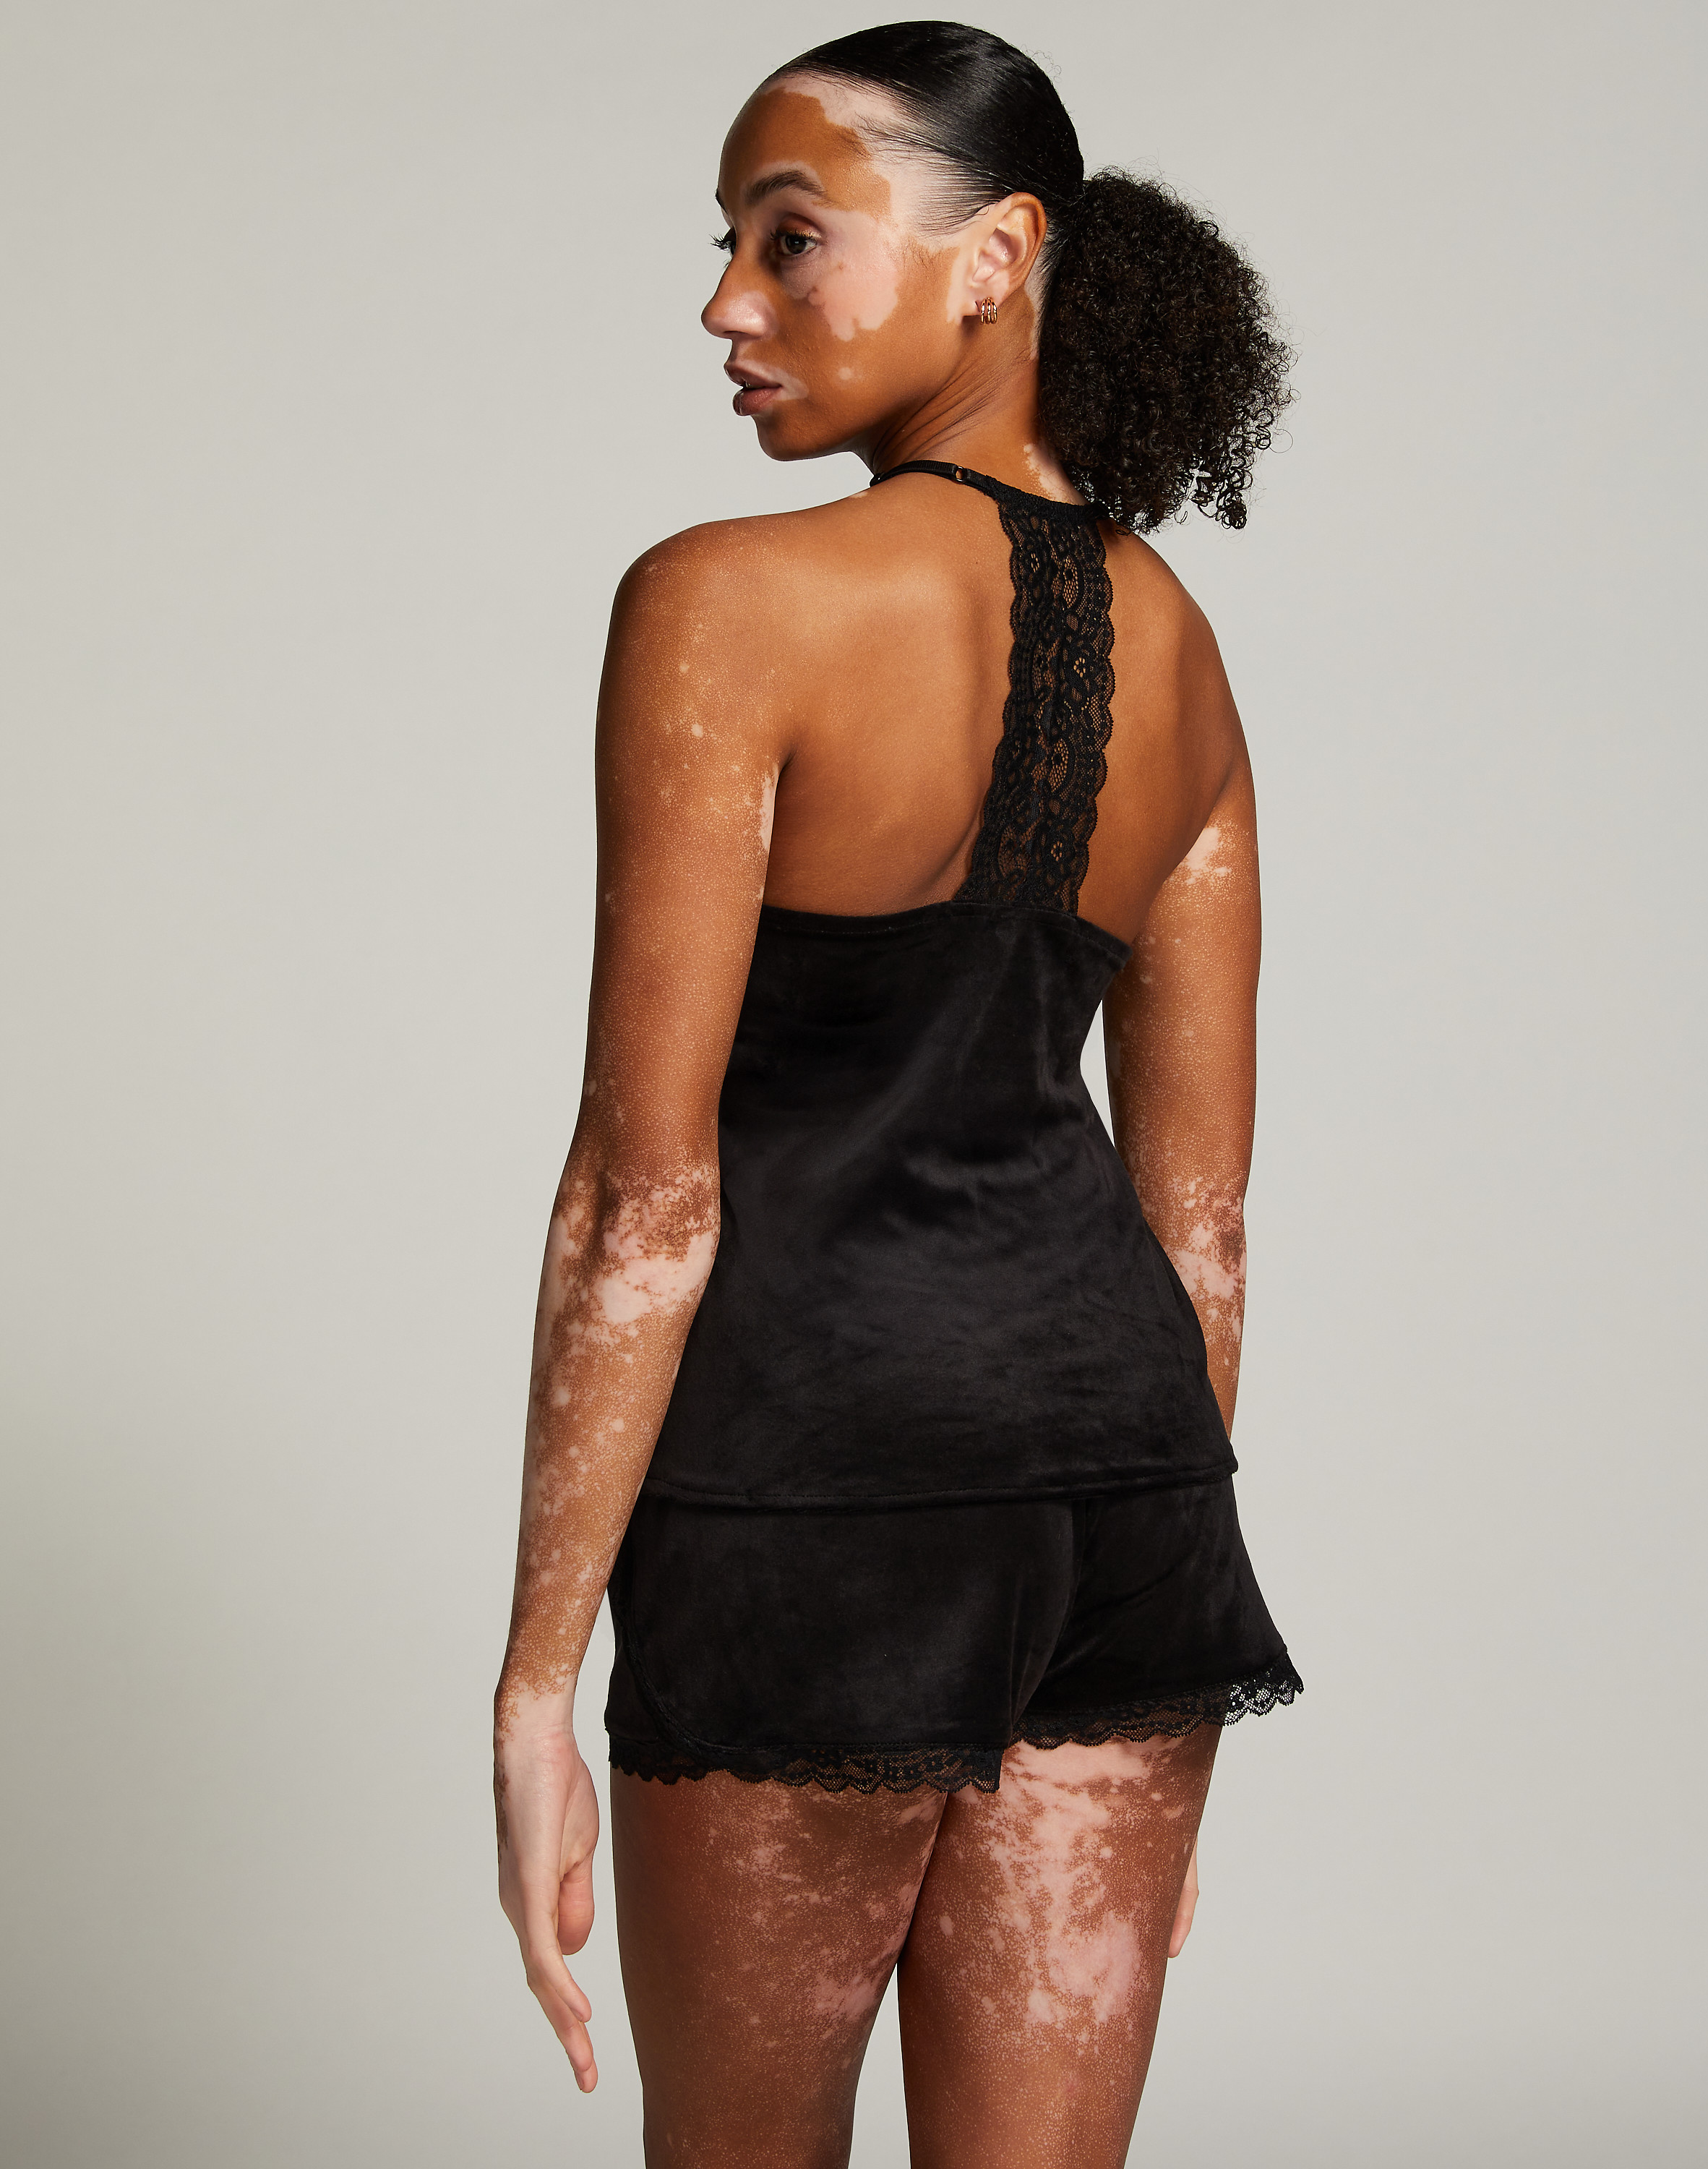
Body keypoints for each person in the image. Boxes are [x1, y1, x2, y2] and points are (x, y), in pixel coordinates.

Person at [494, 22, 1302, 2165]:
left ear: (997, 255)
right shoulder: (1187, 653)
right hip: (1128, 1511)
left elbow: (641, 1202)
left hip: (807, 1504)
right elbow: (1201, 1232)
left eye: (789, 240)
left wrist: (533, 1682)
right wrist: (1147, 1638)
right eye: (724, 247)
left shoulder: (725, 605)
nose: (724, 304)